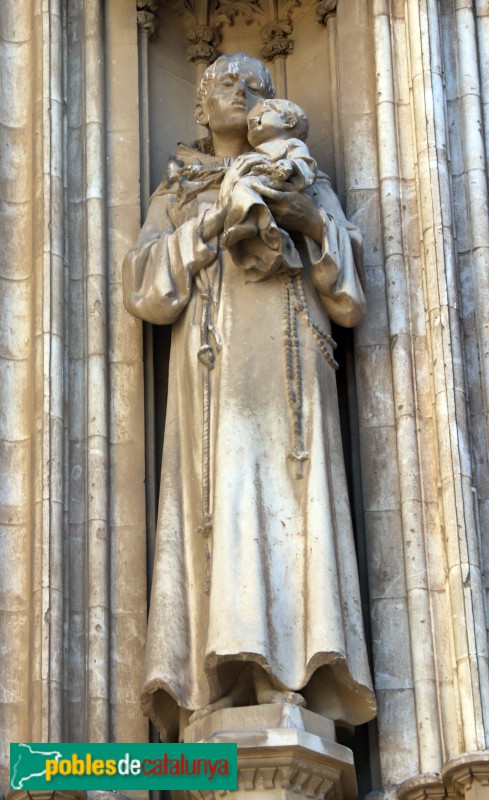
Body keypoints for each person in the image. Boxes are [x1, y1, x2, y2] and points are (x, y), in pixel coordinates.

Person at [122, 52, 376, 742]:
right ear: (200, 107)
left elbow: (351, 300)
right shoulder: (180, 189)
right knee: (222, 508)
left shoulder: (307, 181)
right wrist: (210, 221)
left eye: (256, 83)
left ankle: (291, 683)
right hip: (215, 384)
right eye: (225, 83)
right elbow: (145, 288)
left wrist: (309, 220)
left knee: (296, 508)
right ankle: (220, 684)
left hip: (294, 381)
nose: (244, 91)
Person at [221, 98, 318, 275]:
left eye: (264, 111)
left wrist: (288, 167)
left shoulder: (292, 144)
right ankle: (248, 222)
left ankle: (269, 231)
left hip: (280, 181)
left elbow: (304, 163)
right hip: (258, 180)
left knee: (246, 187)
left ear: (289, 121)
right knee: (243, 187)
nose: (254, 116)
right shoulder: (246, 159)